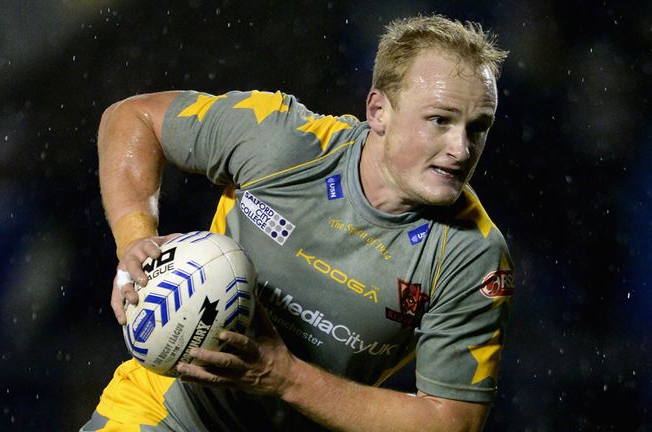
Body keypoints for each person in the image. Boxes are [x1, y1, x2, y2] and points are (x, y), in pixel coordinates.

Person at [82, 14, 514, 432]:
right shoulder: (283, 138)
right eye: (439, 120)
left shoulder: (473, 256)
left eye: (478, 127)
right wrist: (135, 244)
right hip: (163, 412)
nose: (461, 148)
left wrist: (284, 376)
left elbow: (452, 422)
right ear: (379, 110)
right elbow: (131, 118)